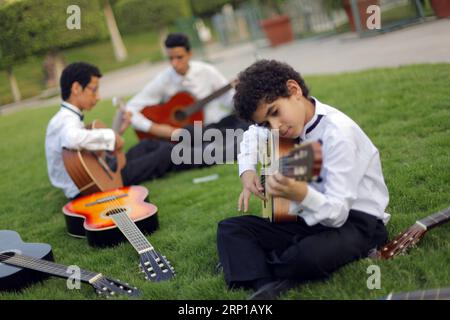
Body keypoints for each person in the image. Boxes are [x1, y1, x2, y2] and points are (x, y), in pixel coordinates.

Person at [216, 60, 390, 300]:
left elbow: (338, 213)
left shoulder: (338, 133)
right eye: (267, 123)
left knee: (306, 255)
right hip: (309, 218)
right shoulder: (283, 125)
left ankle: (253, 266)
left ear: (294, 90)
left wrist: (300, 193)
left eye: (275, 113)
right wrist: (247, 171)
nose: (275, 128)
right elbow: (252, 135)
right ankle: (266, 284)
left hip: (357, 223)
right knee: (231, 229)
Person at [45, 62, 176, 199]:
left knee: (147, 145)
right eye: (94, 90)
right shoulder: (65, 120)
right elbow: (72, 138)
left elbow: (89, 157)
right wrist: (111, 137)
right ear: (76, 88)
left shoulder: (67, 117)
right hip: (92, 186)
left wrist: (117, 132)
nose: (99, 96)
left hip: (100, 171)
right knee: (164, 154)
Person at [122, 32, 248, 140]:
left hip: (214, 125)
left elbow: (228, 100)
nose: (174, 64)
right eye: (170, 58)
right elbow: (130, 109)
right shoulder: (164, 79)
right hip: (183, 135)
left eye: (179, 57)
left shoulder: (207, 71)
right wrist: (155, 128)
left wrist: (242, 99)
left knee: (245, 124)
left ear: (190, 54)